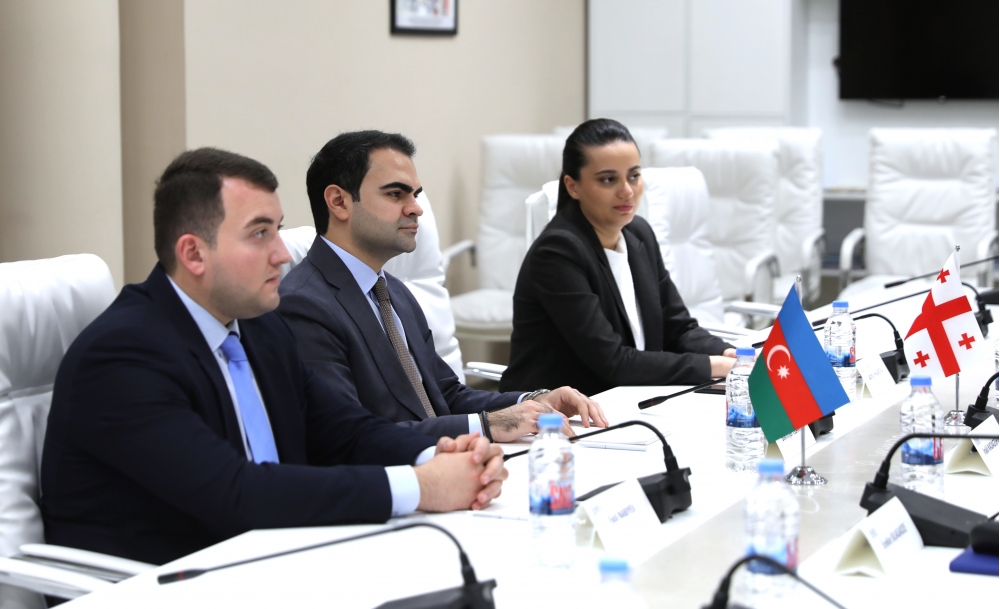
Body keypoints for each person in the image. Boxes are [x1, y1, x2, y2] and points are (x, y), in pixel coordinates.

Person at [40, 148, 507, 566]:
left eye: (278, 230)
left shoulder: (260, 327)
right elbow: (235, 493)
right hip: (167, 582)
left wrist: (439, 455)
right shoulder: (122, 355)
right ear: (193, 253)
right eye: (260, 233)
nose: (282, 254)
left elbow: (344, 430)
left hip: (274, 561)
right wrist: (422, 486)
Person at [278, 130, 607, 442]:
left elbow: (445, 394)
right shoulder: (304, 304)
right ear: (339, 202)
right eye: (395, 194)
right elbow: (347, 435)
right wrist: (486, 426)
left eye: (415, 195)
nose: (416, 208)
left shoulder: (393, 291)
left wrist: (534, 401)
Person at [500, 119, 736, 396]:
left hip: (631, 399)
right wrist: (716, 366)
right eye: (608, 180)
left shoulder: (639, 234)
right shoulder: (557, 252)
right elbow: (614, 363)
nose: (627, 191)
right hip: (562, 413)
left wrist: (728, 353)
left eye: (634, 176)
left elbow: (678, 328)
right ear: (573, 186)